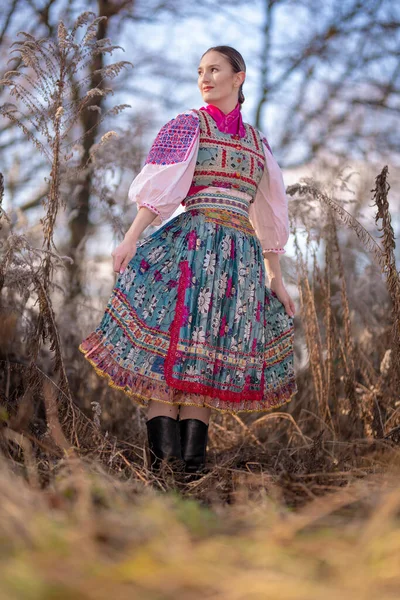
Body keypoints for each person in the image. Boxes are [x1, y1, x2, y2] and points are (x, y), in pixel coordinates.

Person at [79, 45, 298, 475]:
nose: (205, 77)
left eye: (215, 69)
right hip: (190, 246)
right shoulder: (187, 126)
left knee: (206, 361)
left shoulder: (258, 144)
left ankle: (192, 472)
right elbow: (160, 191)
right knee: (170, 354)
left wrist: (277, 278)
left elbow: (270, 214)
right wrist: (129, 240)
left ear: (239, 77)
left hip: (238, 261)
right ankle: (163, 471)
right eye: (200, 70)